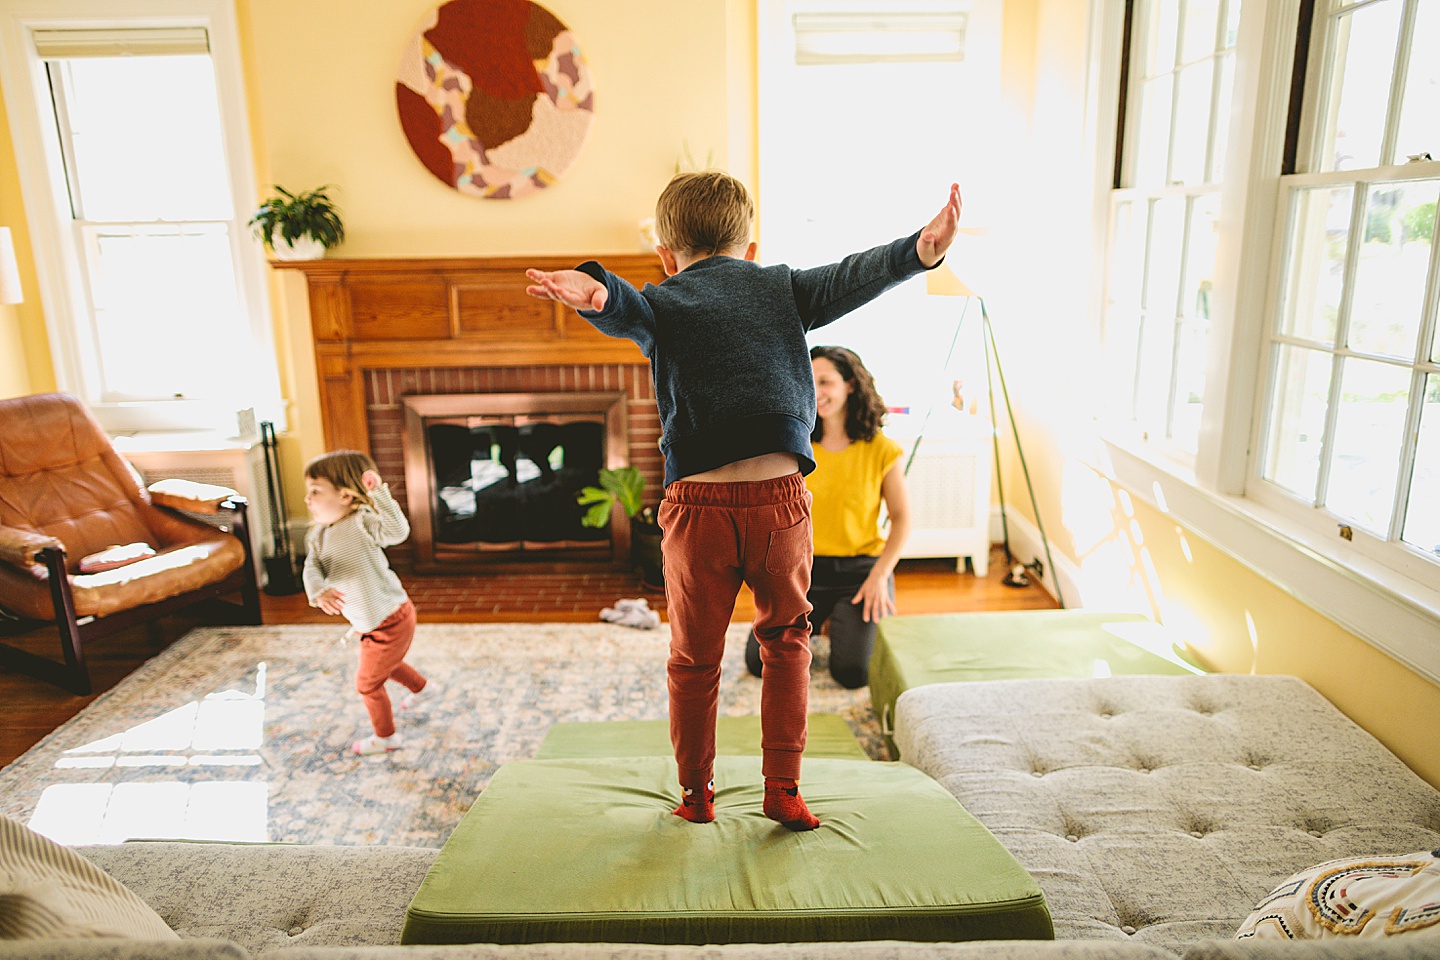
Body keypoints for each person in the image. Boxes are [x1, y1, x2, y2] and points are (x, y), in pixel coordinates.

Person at [524, 171, 962, 830]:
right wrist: (919, 251)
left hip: (698, 511)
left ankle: (695, 791)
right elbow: (854, 276)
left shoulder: (665, 298)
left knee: (693, 659)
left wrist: (596, 292)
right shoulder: (781, 286)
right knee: (790, 640)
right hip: (778, 505)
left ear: (666, 256)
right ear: (750, 245)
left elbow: (625, 307)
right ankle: (782, 785)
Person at [744, 345, 909, 690]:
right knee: (759, 663)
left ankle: (839, 621)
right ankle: (821, 622)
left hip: (860, 572)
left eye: (826, 382)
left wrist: (880, 576)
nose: (817, 392)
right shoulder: (794, 443)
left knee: (853, 674)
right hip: (801, 570)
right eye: (810, 382)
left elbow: (902, 519)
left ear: (850, 385)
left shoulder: (881, 448)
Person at [302, 450, 439, 756]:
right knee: (385, 666)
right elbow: (312, 568)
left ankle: (386, 737)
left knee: (367, 684)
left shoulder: (362, 522)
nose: (307, 499)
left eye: (315, 491)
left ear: (346, 496)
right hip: (370, 621)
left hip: (391, 618)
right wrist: (318, 591)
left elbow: (397, 531)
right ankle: (423, 688)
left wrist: (379, 493)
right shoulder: (318, 535)